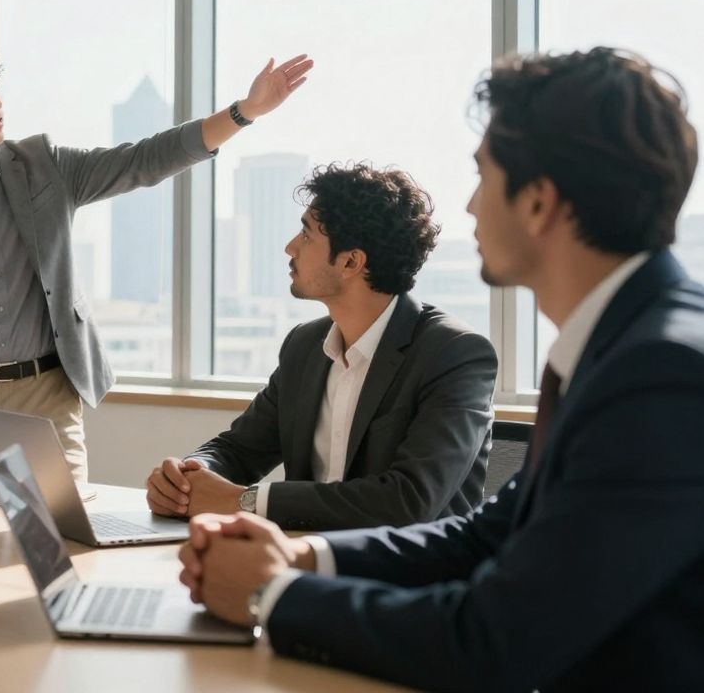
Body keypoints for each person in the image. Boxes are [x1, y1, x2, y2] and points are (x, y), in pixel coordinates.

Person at [178, 48, 704, 691]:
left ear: (538, 203)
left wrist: (273, 596)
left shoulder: (661, 374)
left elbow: (494, 640)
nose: (473, 206)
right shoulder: (621, 344)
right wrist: (305, 556)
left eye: (485, 177)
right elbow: (492, 533)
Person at [0, 37, 313, 479]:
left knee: (62, 538)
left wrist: (244, 112)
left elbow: (144, 159)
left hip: (46, 396)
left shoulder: (44, 167)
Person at [145, 163, 497, 530]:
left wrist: (242, 501)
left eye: (306, 234)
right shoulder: (304, 345)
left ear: (350, 261)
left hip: (404, 577)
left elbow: (408, 501)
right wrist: (186, 478)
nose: (290, 247)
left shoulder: (455, 354)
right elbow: (239, 449)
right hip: (301, 560)